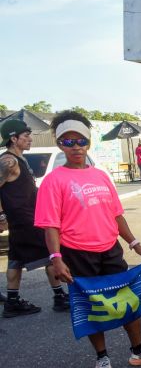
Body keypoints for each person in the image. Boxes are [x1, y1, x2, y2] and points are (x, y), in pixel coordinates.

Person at [34, 111, 141, 368]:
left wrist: (135, 243)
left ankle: (138, 351)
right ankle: (102, 358)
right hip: (77, 252)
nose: (75, 147)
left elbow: (116, 214)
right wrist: (56, 258)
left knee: (127, 301)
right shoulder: (53, 181)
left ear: (88, 142)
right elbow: (50, 225)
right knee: (92, 306)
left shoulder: (101, 176)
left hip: (110, 249)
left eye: (80, 141)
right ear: (60, 144)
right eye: (67, 142)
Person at [0, 119, 70, 317]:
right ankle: (59, 298)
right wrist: (1, 215)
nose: (30, 139)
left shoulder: (17, 160)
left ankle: (12, 302)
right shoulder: (8, 161)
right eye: (26, 136)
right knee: (51, 255)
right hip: (26, 221)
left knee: (15, 261)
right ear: (14, 139)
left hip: (22, 221)